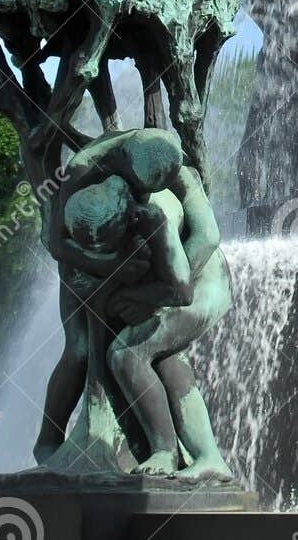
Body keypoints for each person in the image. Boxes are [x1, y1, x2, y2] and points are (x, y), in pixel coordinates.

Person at [42, 127, 233, 479]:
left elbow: (189, 273)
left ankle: (167, 452)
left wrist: (146, 296)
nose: (148, 192)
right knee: (163, 358)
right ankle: (207, 458)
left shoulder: (156, 212)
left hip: (199, 282)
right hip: (166, 280)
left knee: (127, 353)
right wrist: (112, 268)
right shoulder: (84, 170)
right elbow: (57, 242)